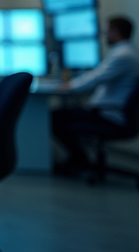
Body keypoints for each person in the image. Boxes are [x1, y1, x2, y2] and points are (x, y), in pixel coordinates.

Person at [51, 16, 139, 174]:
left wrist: (70, 86)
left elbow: (96, 77)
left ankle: (79, 159)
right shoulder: (125, 52)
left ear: (116, 32)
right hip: (109, 110)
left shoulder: (122, 55)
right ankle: (79, 159)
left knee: (56, 118)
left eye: (107, 32)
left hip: (110, 114)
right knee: (61, 116)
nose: (105, 36)